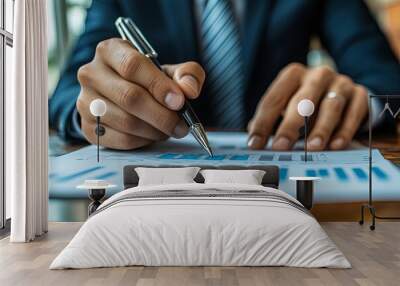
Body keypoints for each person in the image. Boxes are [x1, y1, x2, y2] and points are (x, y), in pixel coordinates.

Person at [49, 0, 400, 151]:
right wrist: (99, 111)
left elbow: (390, 87)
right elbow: (70, 90)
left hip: (285, 188)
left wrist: (354, 102)